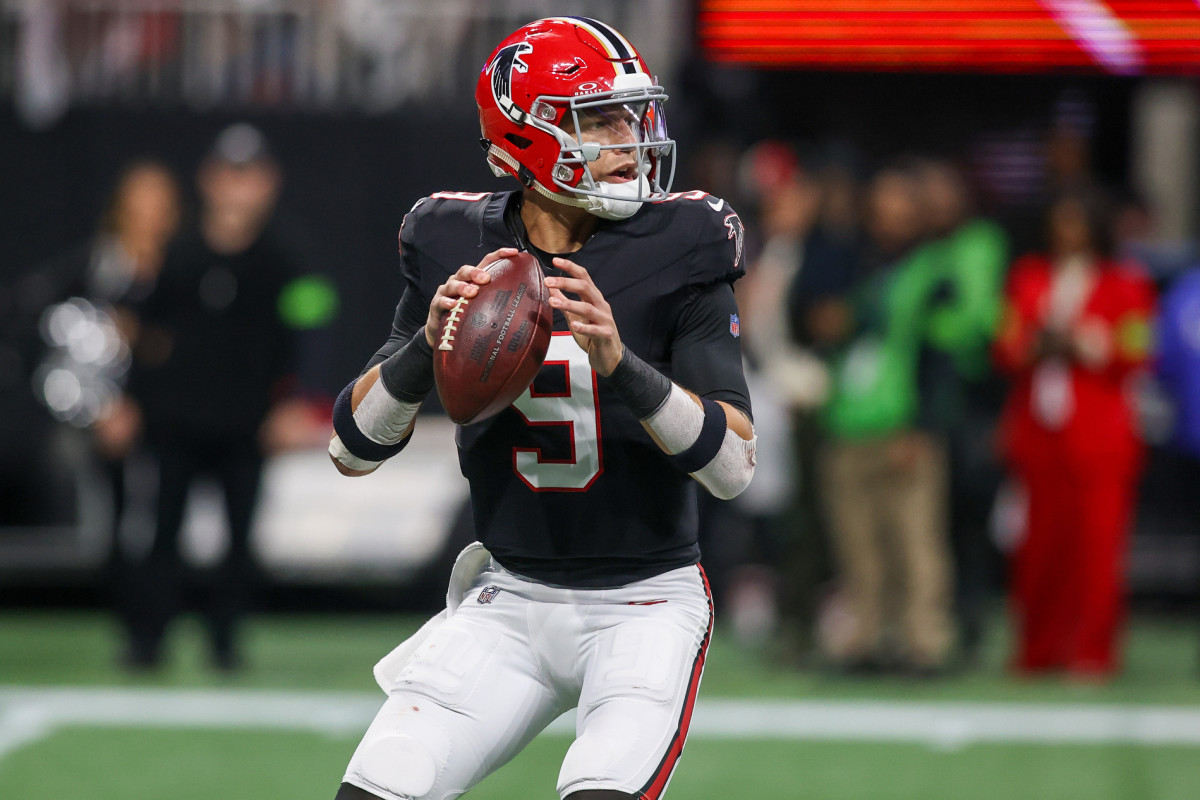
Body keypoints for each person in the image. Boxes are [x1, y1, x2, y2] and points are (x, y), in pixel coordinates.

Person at [328, 17, 754, 800]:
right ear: (524, 138)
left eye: (632, 114)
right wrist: (426, 347)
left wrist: (623, 364)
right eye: (599, 119)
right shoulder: (452, 240)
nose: (629, 137)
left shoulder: (683, 240)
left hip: (645, 601)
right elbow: (352, 447)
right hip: (509, 598)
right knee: (377, 789)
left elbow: (733, 467)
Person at [120, 123, 335, 670]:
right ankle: (148, 641)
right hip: (174, 421)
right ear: (210, 180)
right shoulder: (177, 252)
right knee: (162, 531)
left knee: (240, 538)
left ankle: (225, 643)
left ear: (269, 182)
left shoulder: (291, 256)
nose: (240, 188)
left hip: (248, 424)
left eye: (251, 175)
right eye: (230, 174)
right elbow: (140, 330)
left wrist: (299, 403)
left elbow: (314, 331)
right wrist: (127, 399)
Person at [994, 184, 1155, 680]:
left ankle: (1091, 652)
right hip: (1040, 435)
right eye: (1060, 222)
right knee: (1039, 548)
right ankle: (1038, 650)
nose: (1067, 233)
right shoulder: (1030, 278)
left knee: (1097, 548)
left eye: (1077, 222)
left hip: (1099, 437)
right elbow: (1006, 347)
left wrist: (1085, 342)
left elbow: (1136, 350)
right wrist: (1038, 346)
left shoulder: (1126, 283)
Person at [810, 165, 956, 675]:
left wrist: (924, 427)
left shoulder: (935, 273)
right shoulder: (854, 264)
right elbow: (819, 323)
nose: (889, 218)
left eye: (901, 209)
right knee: (858, 546)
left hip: (903, 424)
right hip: (849, 420)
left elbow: (944, 357)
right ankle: (865, 638)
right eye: (882, 208)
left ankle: (924, 642)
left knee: (915, 543)